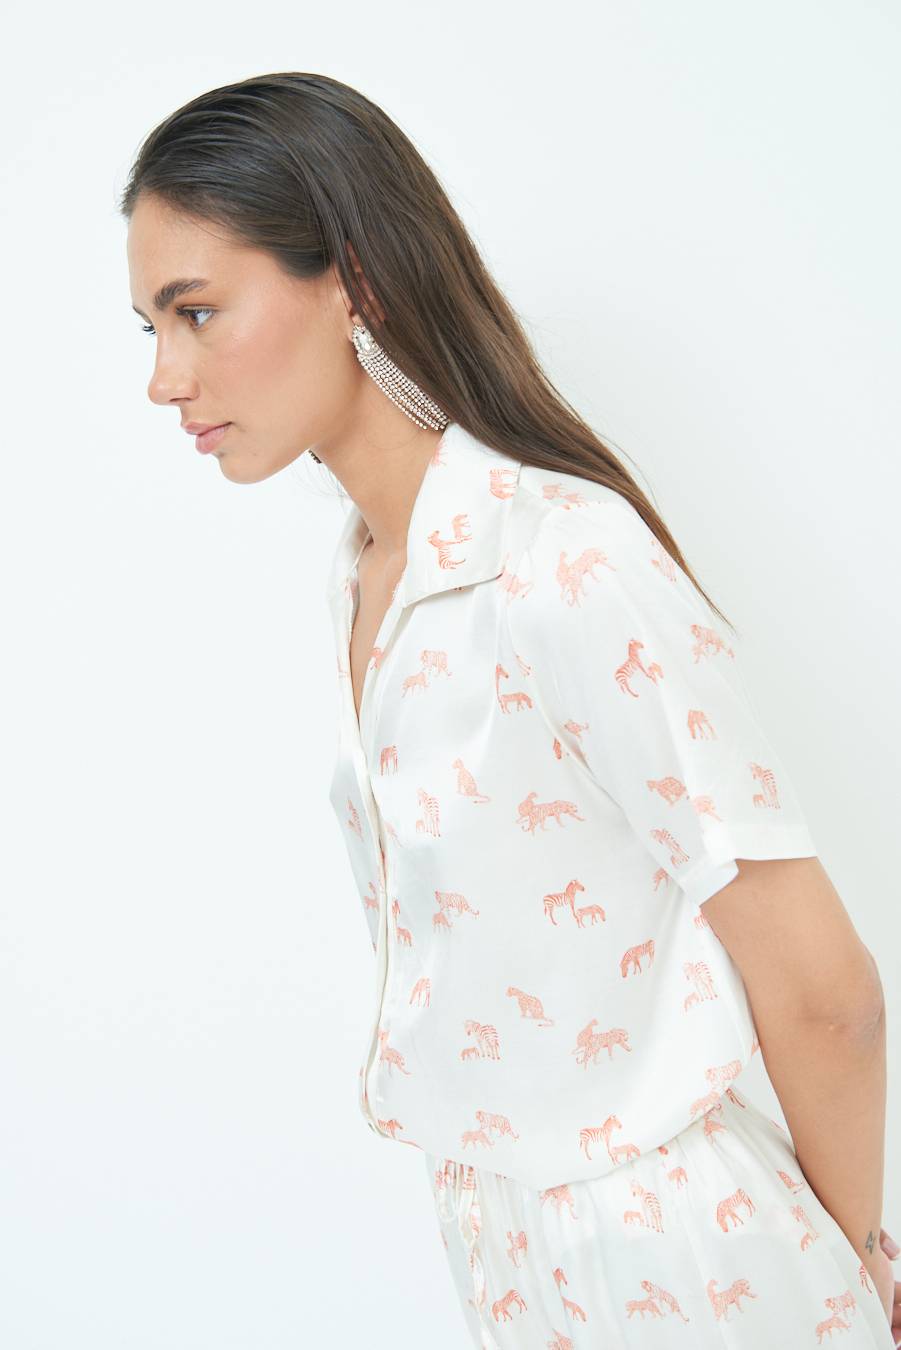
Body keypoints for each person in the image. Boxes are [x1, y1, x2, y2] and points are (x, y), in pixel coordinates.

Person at [121, 72, 898, 1347]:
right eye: (150, 325)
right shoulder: (367, 575)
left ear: (354, 282)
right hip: (506, 1252)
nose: (164, 377)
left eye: (196, 312)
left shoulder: (561, 563)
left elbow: (828, 992)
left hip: (688, 1266)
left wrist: (850, 1263)